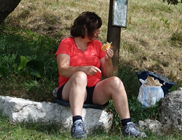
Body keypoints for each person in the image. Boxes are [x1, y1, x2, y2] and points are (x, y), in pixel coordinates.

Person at [54, 11, 146, 139]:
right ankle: (77, 124)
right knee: (80, 76)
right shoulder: (66, 43)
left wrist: (108, 60)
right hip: (70, 89)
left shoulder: (97, 45)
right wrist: (83, 69)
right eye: (96, 29)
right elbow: (63, 70)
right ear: (85, 28)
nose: (98, 32)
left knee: (116, 81)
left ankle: (128, 126)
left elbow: (108, 74)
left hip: (94, 91)